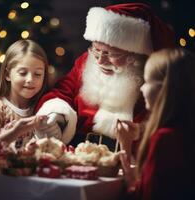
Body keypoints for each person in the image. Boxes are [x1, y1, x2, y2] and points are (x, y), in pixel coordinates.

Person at [35, 3, 175, 148]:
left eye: (111, 53)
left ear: (134, 54)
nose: (100, 60)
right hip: (80, 152)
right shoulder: (86, 61)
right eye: (96, 49)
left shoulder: (152, 77)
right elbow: (63, 90)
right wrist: (58, 116)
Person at [118, 48, 195, 200]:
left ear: (164, 89)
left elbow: (144, 195)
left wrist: (125, 146)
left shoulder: (165, 139)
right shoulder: (185, 131)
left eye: (147, 82)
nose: (142, 88)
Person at [0, 39, 49, 151]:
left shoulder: (44, 107)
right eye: (22, 73)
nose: (30, 79)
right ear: (7, 75)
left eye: (37, 74)